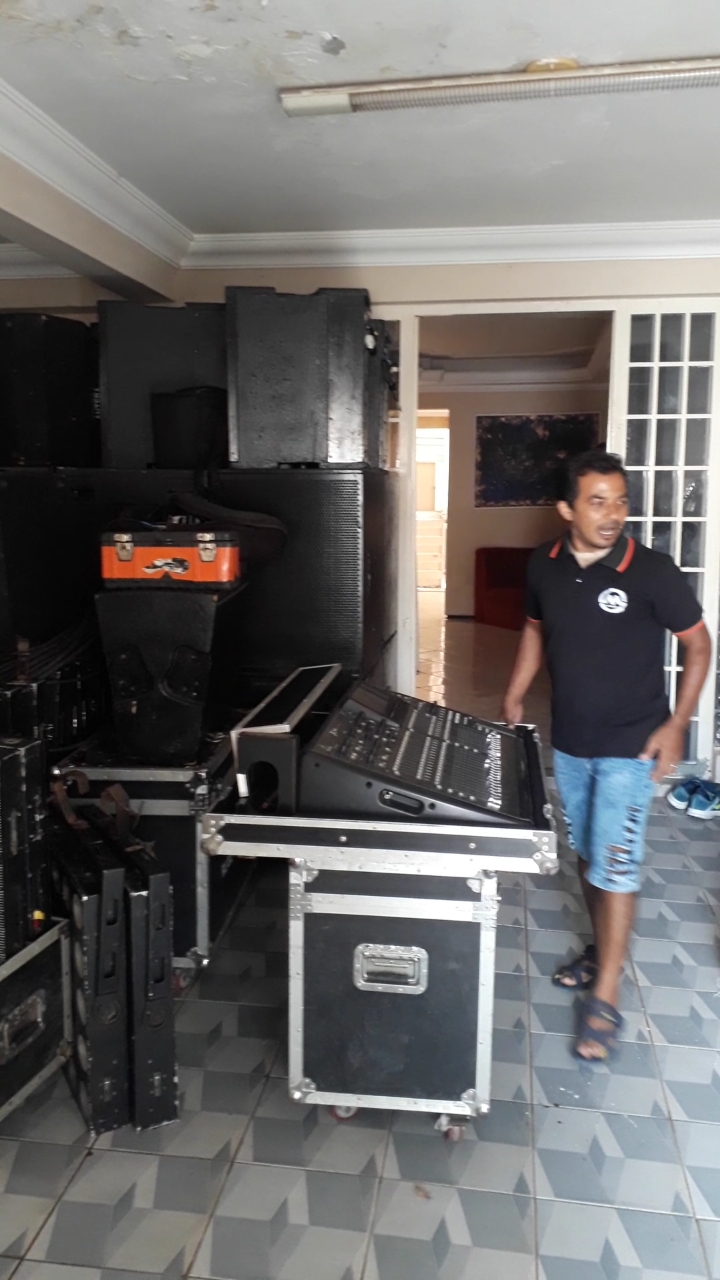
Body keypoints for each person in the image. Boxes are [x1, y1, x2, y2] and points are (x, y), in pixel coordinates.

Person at [502, 449, 711, 1061]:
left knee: (615, 864)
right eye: (597, 502)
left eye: (620, 501)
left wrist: (676, 724)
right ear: (567, 509)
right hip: (571, 741)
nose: (613, 514)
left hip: (631, 743)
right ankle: (601, 952)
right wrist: (515, 691)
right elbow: (535, 628)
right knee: (591, 854)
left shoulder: (651, 571)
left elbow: (699, 646)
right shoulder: (543, 564)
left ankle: (607, 994)